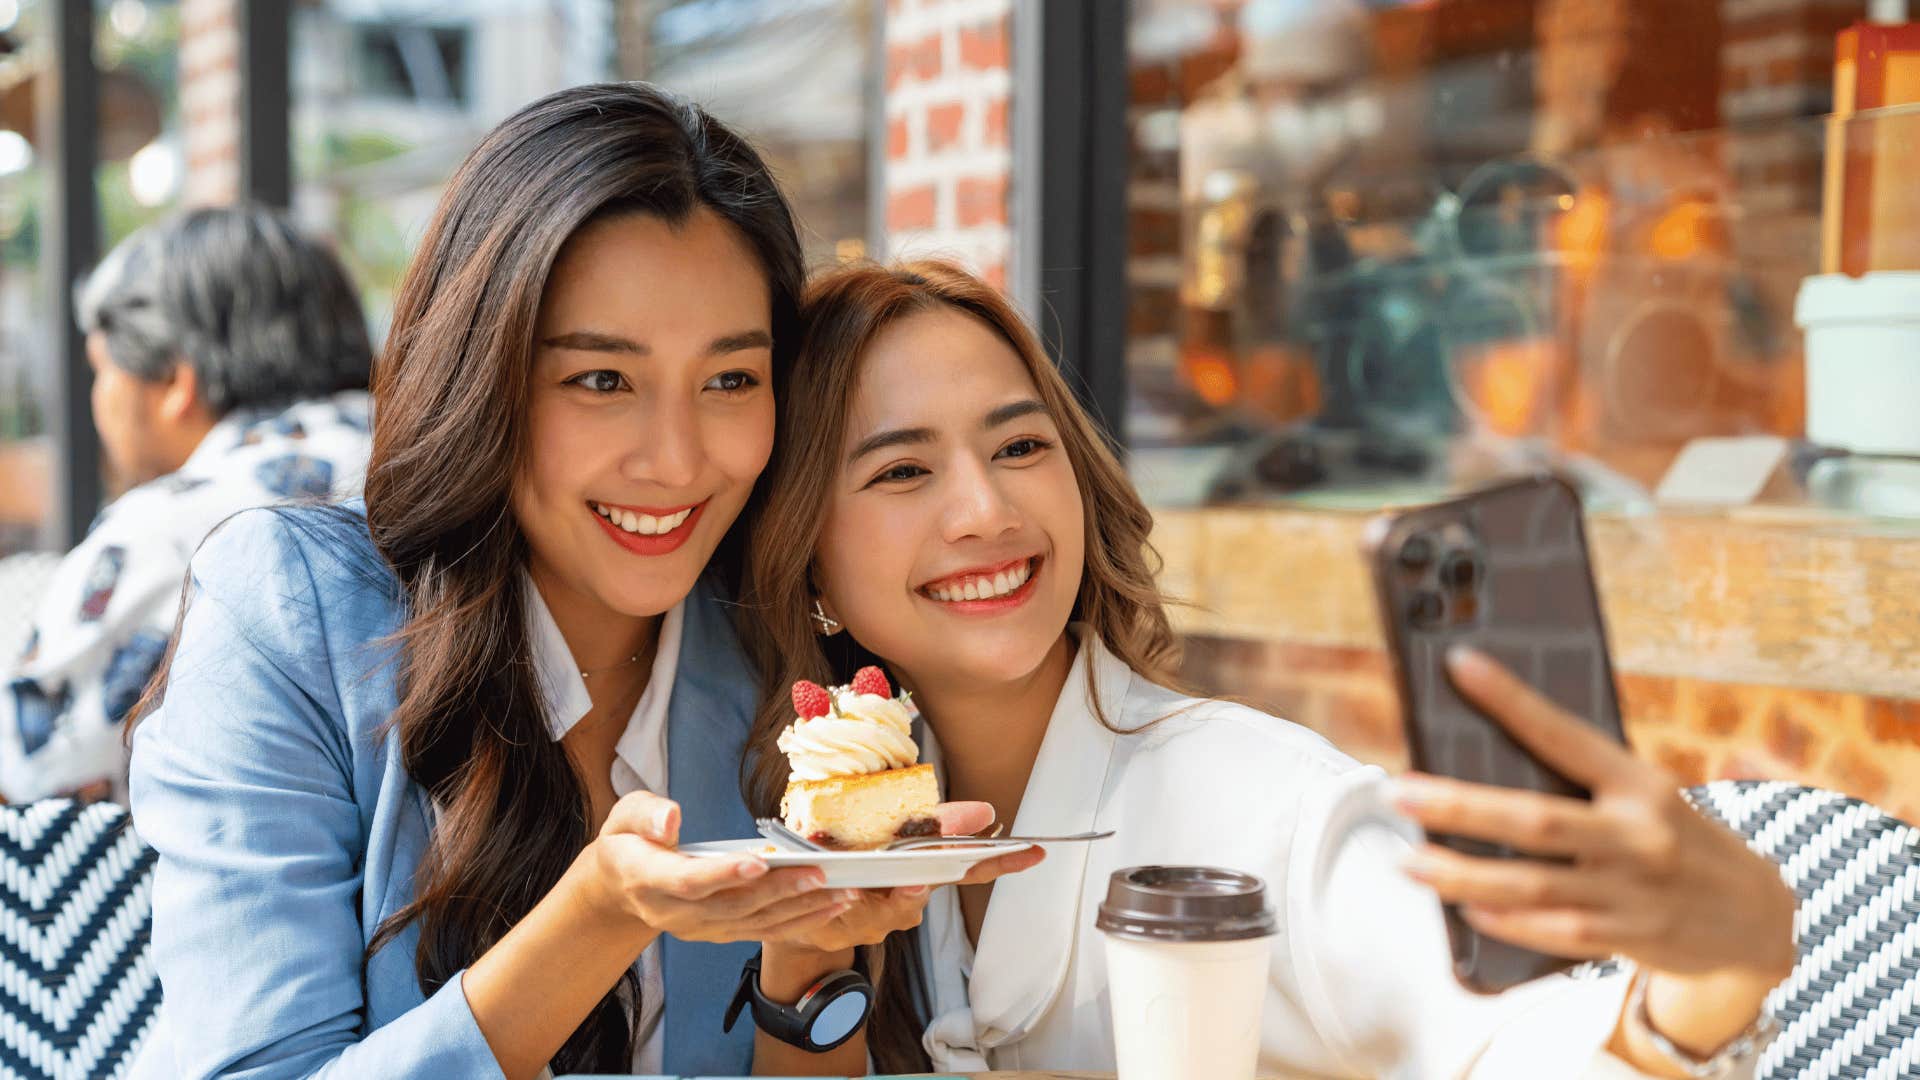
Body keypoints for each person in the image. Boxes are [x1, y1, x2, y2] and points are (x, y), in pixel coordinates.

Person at [124, 84, 1029, 1080]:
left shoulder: (780, 660)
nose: (678, 461)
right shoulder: (292, 616)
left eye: (730, 379)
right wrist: (597, 918)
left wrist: (809, 962)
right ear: (485, 375)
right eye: (602, 380)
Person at [739, 260, 1798, 1077]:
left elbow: (1511, 1043)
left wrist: (1708, 990)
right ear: (811, 566)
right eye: (904, 470)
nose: (987, 510)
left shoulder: (1270, 811)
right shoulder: (869, 819)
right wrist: (805, 965)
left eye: (1021, 447)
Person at [1, 205, 373, 803]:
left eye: (101, 369)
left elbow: (30, 768)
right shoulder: (431, 462)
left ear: (176, 381)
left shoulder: (173, 527)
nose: (99, 399)